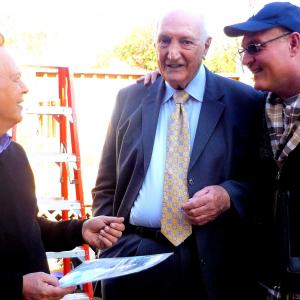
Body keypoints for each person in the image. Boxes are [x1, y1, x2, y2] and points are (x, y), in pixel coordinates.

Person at [92, 7, 265, 300]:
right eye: (164, 41)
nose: (172, 53)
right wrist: (108, 247)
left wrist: (228, 196)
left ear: (206, 46)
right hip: (132, 258)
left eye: (185, 42)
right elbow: (107, 183)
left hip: (210, 264)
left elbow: (263, 181)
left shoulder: (244, 102)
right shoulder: (130, 98)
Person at [0, 44, 125, 300]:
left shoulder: (15, 155)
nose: (25, 88)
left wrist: (80, 231)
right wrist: (17, 286)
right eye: (15, 79)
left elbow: (28, 229)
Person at [224, 2, 300, 299]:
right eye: (243, 51)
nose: (246, 60)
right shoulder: (255, 108)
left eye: (255, 47)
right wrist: (160, 84)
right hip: (266, 287)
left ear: (294, 43)